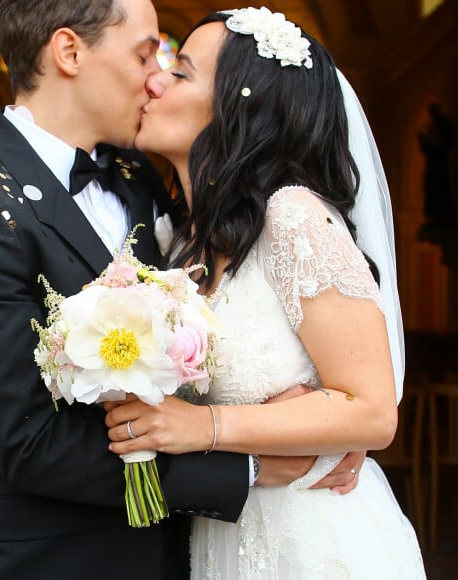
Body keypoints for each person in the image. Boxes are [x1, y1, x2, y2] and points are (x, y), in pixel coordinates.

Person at [0, 1, 362, 578]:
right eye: (145, 53)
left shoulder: (142, 178)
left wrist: (333, 421)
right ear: (69, 52)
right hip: (49, 560)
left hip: (186, 553)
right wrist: (249, 467)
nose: (155, 77)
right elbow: (31, 441)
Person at [103, 8, 426, 579]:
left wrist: (207, 427)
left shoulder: (292, 218)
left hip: (313, 538)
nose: (154, 79)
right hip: (220, 535)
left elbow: (374, 411)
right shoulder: (172, 243)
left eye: (180, 72)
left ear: (239, 106)